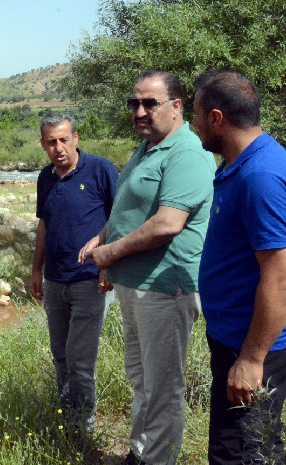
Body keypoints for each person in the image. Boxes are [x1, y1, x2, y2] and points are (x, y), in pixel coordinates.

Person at [78, 70, 216, 465]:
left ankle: (158, 460)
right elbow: (132, 207)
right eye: (133, 103)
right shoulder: (148, 147)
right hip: (135, 284)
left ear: (177, 106)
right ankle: (141, 453)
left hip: (165, 286)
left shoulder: (187, 153)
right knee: (141, 378)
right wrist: (104, 236)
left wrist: (112, 253)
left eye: (149, 103)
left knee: (163, 387)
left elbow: (168, 223)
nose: (139, 112)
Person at [194, 71, 286, 464]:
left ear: (216, 118)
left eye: (196, 115)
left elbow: (279, 275)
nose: (192, 125)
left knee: (249, 452)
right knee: (238, 446)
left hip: (255, 348)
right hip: (235, 339)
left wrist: (251, 359)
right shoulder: (243, 164)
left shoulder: (260, 175)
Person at [29, 111, 118, 431]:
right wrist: (35, 270)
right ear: (42, 144)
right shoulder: (45, 178)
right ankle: (67, 418)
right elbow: (44, 224)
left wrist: (103, 249)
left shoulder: (101, 170)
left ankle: (84, 427)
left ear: (76, 138)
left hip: (88, 281)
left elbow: (121, 217)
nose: (58, 148)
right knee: (61, 356)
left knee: (81, 360)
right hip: (54, 281)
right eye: (51, 142)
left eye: (64, 140)